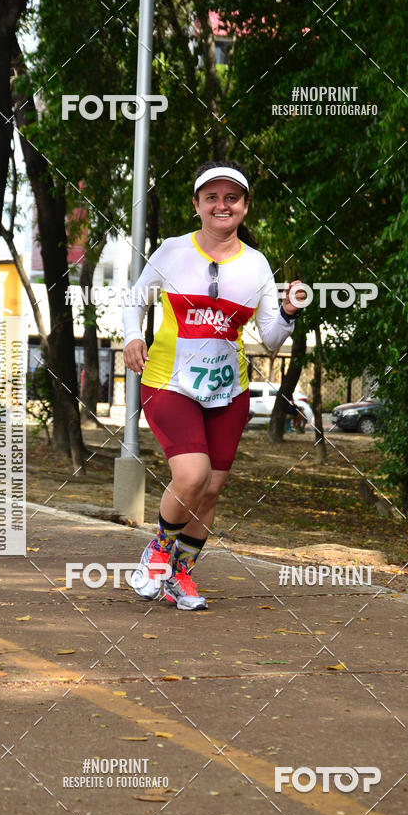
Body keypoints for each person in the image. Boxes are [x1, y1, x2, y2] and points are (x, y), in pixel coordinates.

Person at [122, 160, 303, 611]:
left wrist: (287, 313)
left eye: (232, 197)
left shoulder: (257, 265)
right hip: (170, 381)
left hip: (229, 392)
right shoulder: (171, 251)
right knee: (191, 476)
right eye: (212, 197)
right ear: (197, 204)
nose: (222, 205)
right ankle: (157, 553)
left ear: (244, 206)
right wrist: (132, 335)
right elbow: (134, 300)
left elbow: (270, 338)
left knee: (210, 490)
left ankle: (179, 576)